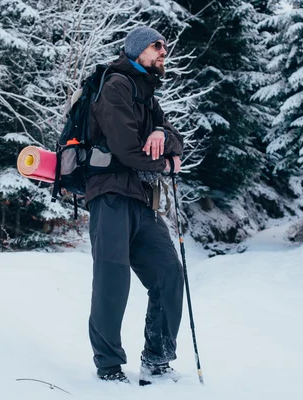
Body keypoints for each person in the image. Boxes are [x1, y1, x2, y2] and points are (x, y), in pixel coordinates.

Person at [85, 26, 185, 385]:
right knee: (112, 280)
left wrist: (162, 134)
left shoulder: (148, 95)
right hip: (110, 194)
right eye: (156, 45)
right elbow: (127, 150)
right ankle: (109, 366)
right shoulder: (116, 85)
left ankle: (157, 358)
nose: (163, 51)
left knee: (169, 274)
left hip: (142, 199)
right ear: (137, 50)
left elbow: (178, 140)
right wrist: (167, 163)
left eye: (165, 46)